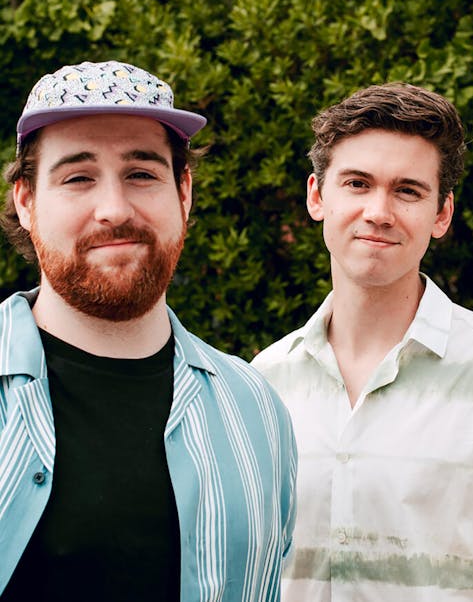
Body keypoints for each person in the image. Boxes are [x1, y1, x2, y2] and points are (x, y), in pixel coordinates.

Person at [252, 82, 473, 602]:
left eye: (407, 191)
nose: (379, 211)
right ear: (317, 196)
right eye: (357, 184)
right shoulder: (263, 383)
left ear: (442, 214)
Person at [0, 60, 296, 602]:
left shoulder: (257, 409)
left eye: (141, 174)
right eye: (78, 177)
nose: (114, 210)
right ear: (26, 201)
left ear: (184, 192)